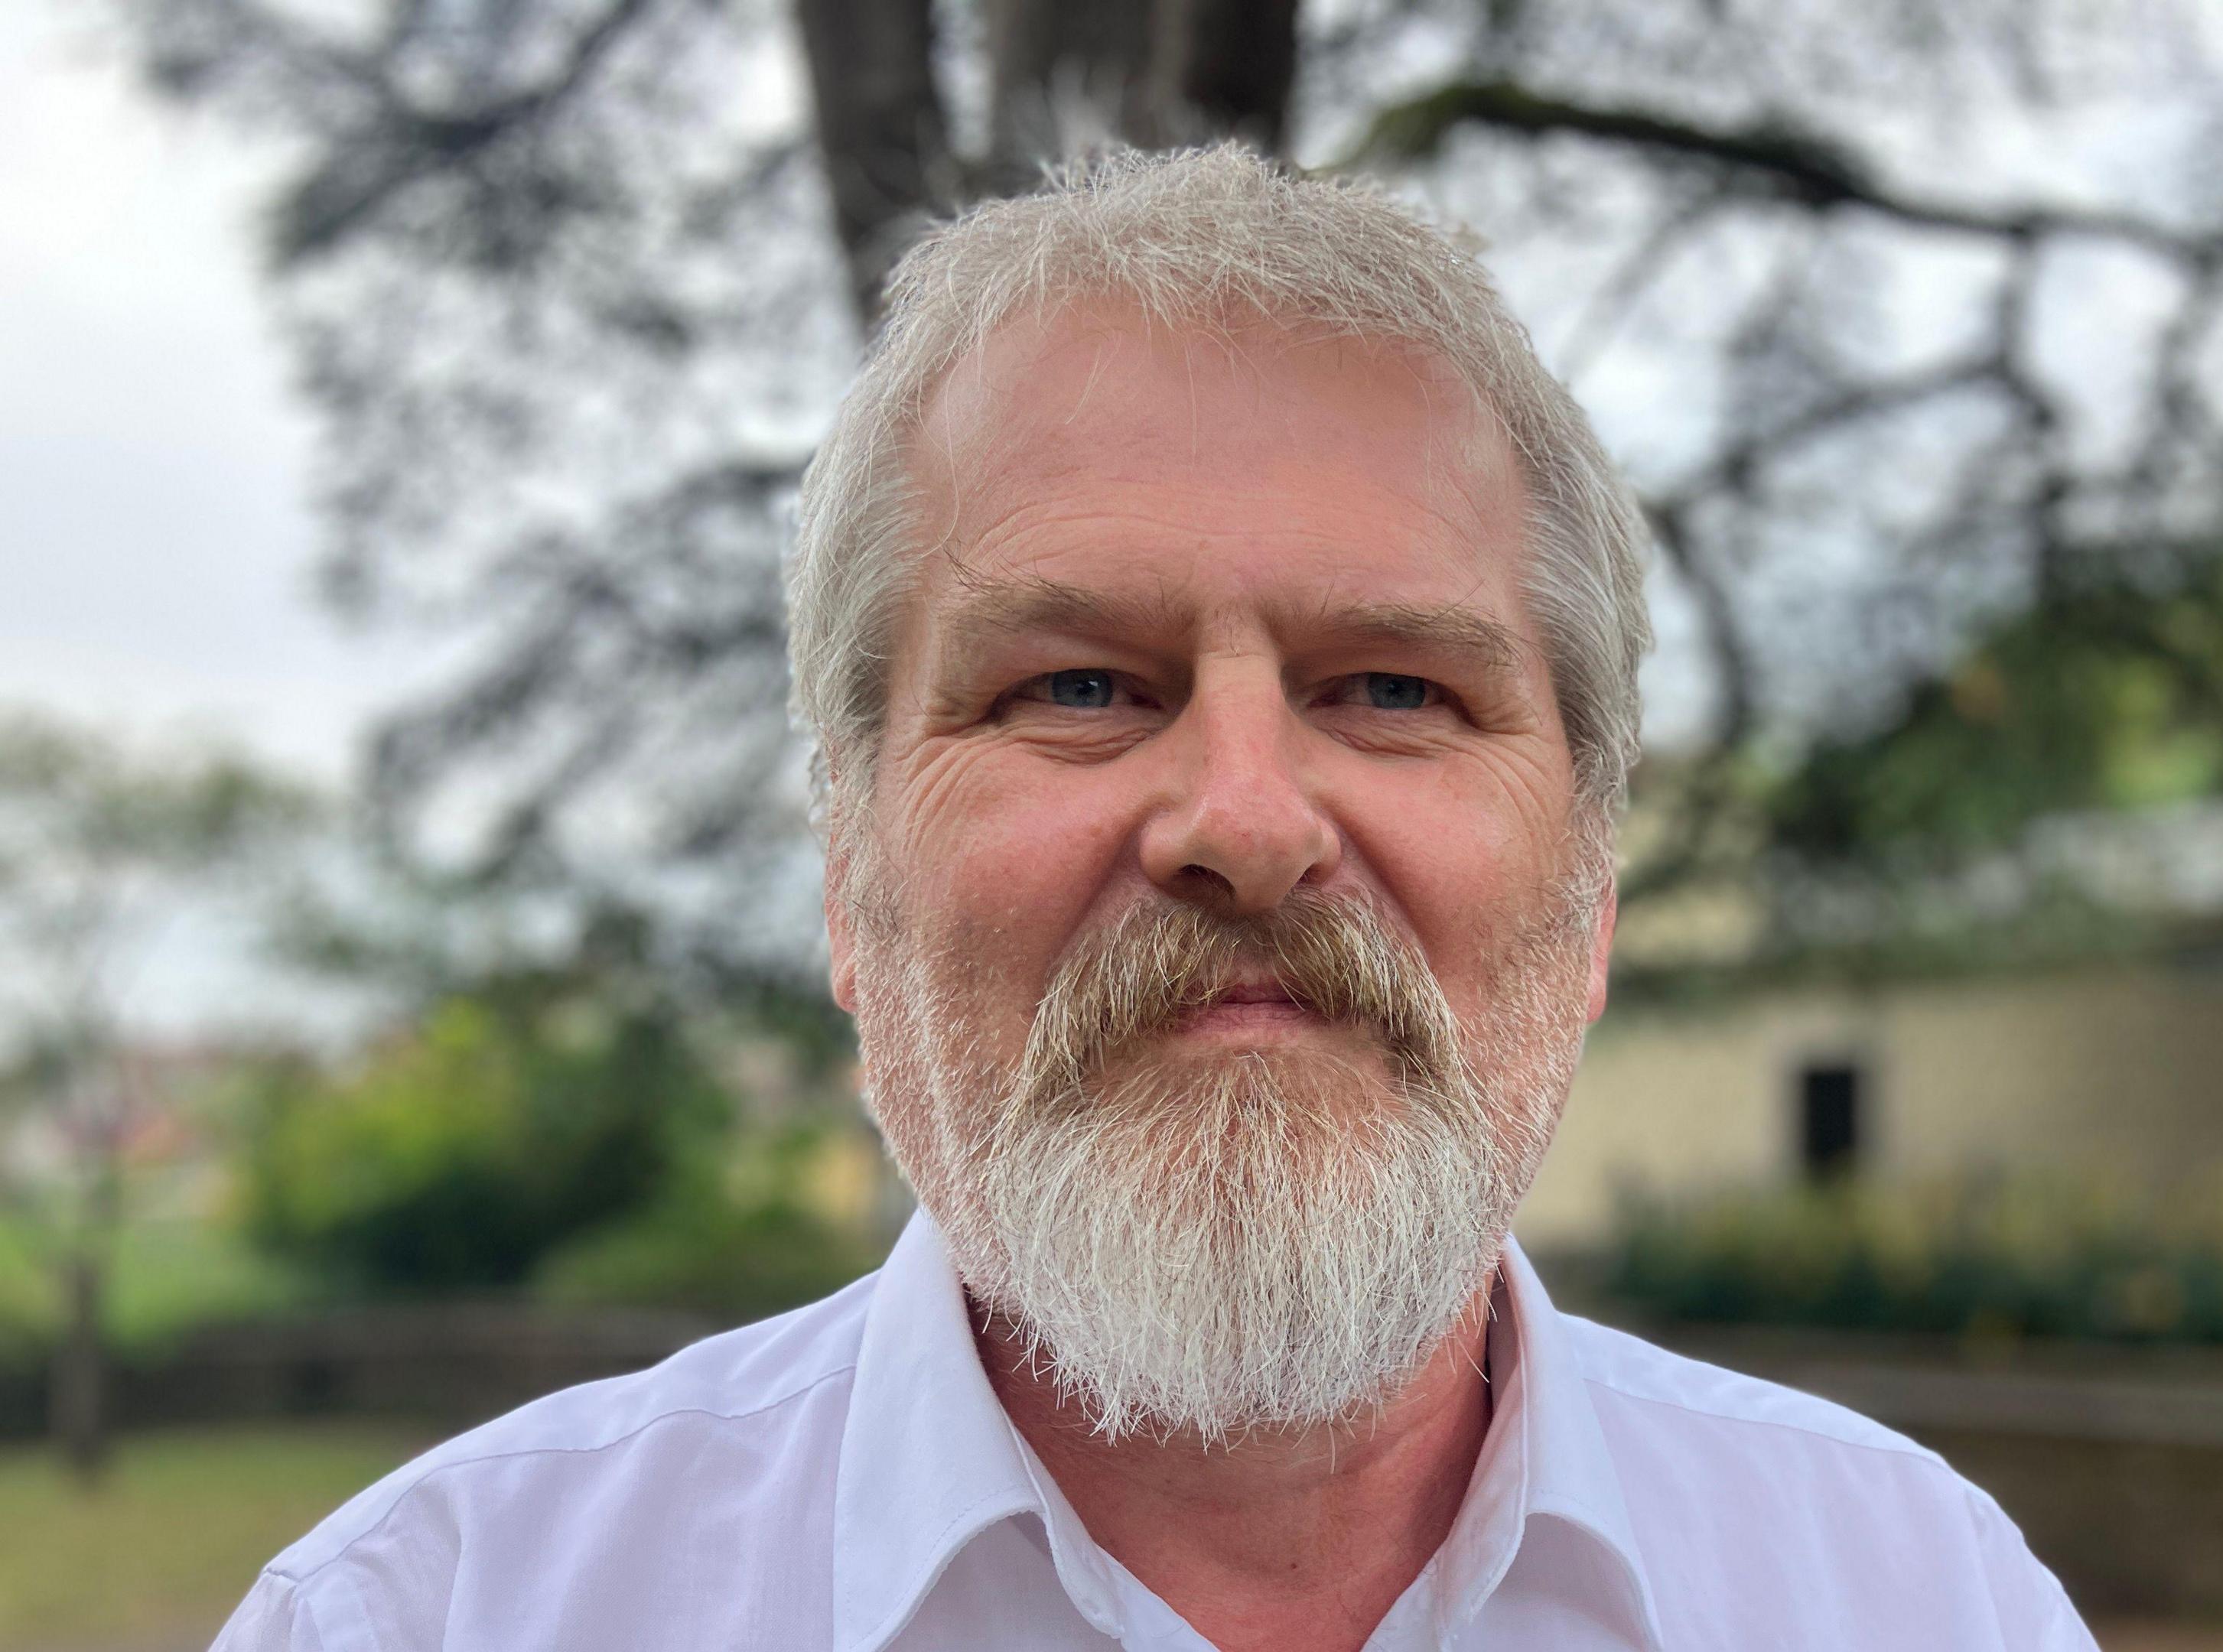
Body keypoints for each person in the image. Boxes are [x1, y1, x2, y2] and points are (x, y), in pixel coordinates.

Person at [212, 148, 2095, 1651]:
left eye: (1391, 689)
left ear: (1590, 895)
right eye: (1082, 686)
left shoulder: (1923, 1598)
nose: (1246, 819)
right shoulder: (428, 1616)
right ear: (852, 890)